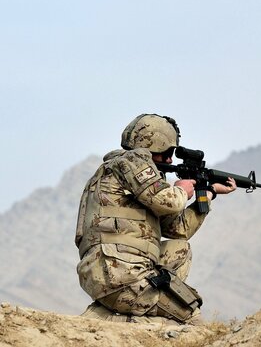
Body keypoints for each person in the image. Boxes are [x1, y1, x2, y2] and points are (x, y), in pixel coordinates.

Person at [75, 113, 236, 324]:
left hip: (113, 270)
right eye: (168, 152)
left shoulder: (128, 178)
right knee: (191, 319)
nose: (170, 160)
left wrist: (209, 192)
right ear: (154, 144)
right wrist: (181, 189)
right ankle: (116, 319)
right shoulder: (131, 162)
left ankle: (108, 314)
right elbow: (169, 201)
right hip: (117, 269)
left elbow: (179, 229)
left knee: (180, 249)